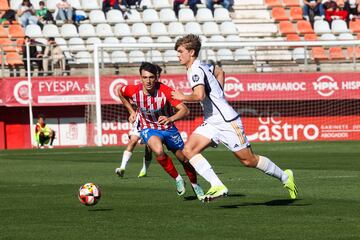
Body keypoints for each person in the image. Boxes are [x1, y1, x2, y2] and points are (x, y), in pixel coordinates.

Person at [172, 34, 298, 202]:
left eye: (180, 51)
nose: (178, 55)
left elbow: (200, 95)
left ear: (192, 52)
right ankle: (218, 185)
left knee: (248, 160)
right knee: (188, 150)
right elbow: (219, 71)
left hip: (227, 122)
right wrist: (218, 94)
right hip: (212, 121)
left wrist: (182, 96)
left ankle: (284, 176)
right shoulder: (200, 66)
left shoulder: (195, 69)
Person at [118, 62, 204, 199]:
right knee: (158, 151)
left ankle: (195, 184)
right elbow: (119, 91)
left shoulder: (166, 91)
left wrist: (171, 119)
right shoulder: (134, 90)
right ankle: (178, 179)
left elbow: (185, 110)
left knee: (185, 160)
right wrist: (131, 111)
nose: (148, 81)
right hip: (149, 127)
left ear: (156, 77)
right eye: (145, 77)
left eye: (151, 77)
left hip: (168, 128)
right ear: (140, 78)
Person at [115, 113, 153, 178]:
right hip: (140, 118)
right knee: (133, 141)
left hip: (152, 120)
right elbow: (126, 102)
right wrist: (132, 112)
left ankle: (144, 170)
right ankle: (122, 168)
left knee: (149, 147)